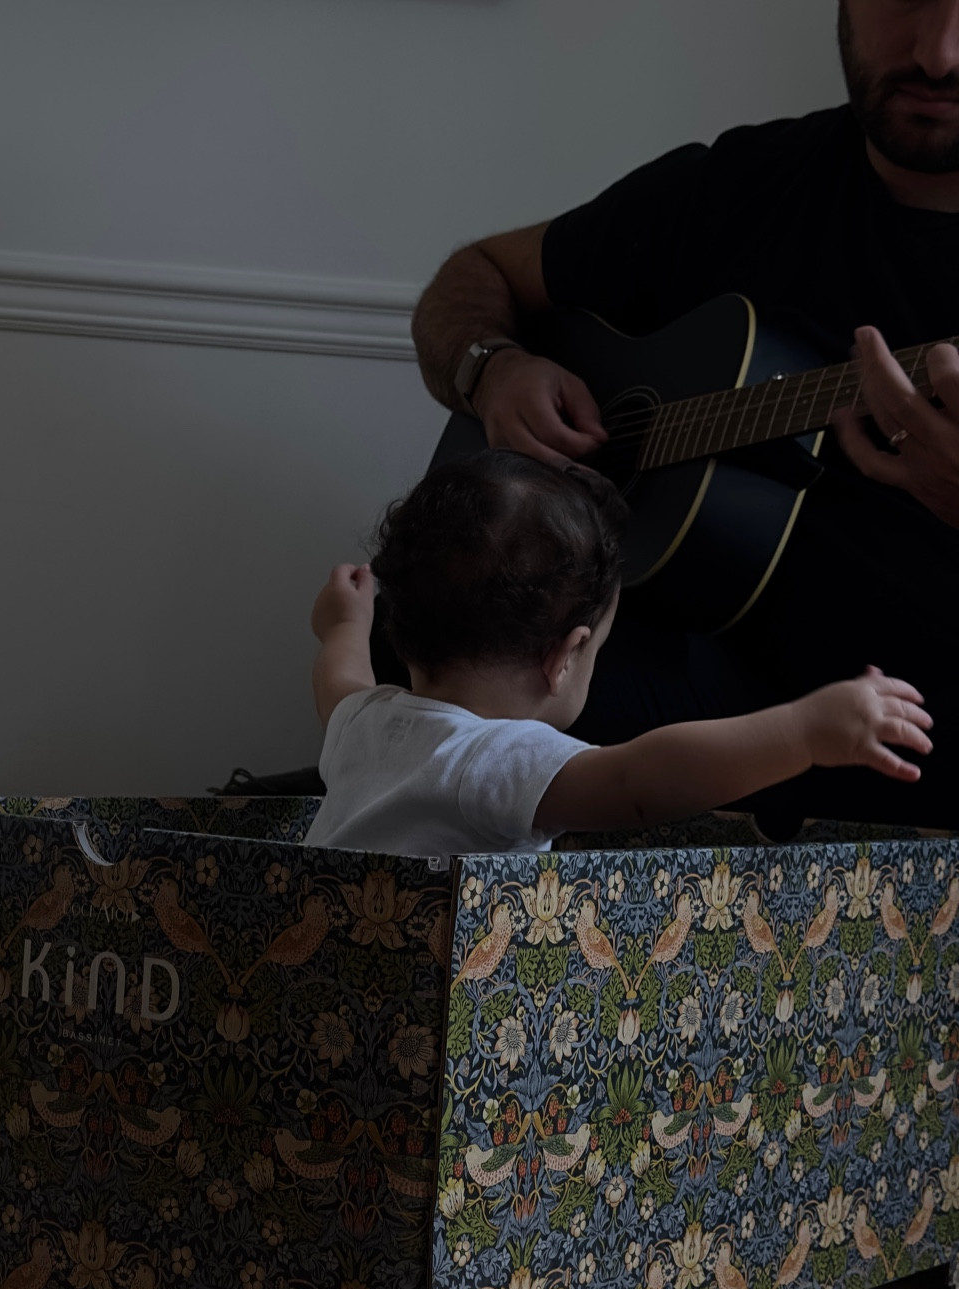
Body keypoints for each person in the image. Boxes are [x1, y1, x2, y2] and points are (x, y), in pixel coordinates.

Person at [406, 0, 959, 832]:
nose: (939, 52)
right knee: (419, 640)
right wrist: (495, 368)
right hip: (688, 698)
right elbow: (474, 275)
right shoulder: (742, 185)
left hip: (907, 736)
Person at [304, 452, 932, 856]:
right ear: (566, 656)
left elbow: (340, 674)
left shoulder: (366, 722)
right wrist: (803, 731)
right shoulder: (494, 758)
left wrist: (345, 623)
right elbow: (641, 780)